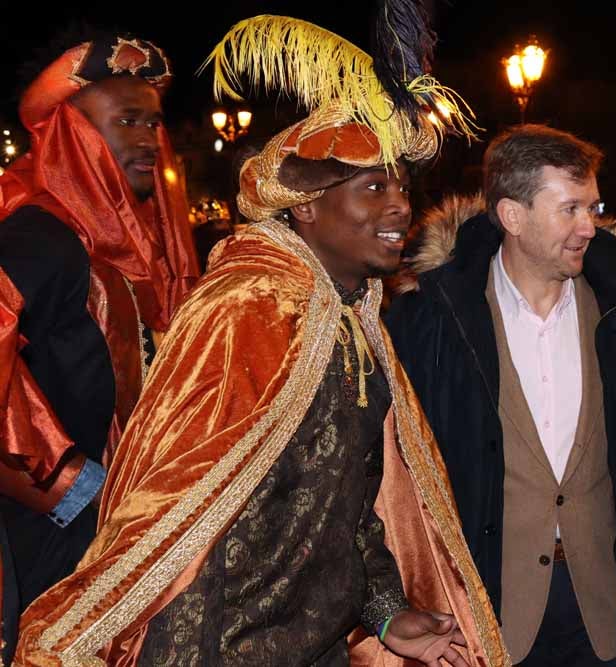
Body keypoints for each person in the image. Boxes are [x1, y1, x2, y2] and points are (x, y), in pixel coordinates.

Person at [14, 13, 506, 667]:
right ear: (305, 204)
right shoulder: (249, 308)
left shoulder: (349, 322)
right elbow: (184, 529)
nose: (400, 207)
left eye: (402, 187)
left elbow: (348, 503)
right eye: (373, 186)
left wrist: (386, 613)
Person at [386, 125, 616, 666]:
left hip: (603, 606)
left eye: (594, 206)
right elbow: (403, 466)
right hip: (489, 606)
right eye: (570, 210)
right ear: (513, 216)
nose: (590, 227)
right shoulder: (437, 320)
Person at [0, 29, 199, 663]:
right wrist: (72, 485)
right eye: (128, 121)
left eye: (154, 123)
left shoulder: (111, 244)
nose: (149, 140)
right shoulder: (42, 236)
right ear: (70, 135)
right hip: (53, 538)